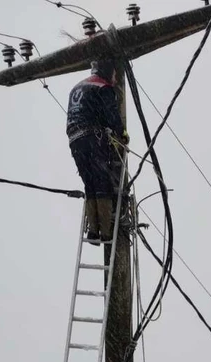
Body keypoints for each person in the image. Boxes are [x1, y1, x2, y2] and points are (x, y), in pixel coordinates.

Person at [66, 59, 128, 245]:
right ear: (107, 72)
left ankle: (93, 231)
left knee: (89, 183)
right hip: (92, 138)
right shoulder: (103, 87)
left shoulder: (77, 87)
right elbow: (112, 116)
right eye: (115, 75)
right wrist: (122, 135)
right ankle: (106, 234)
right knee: (102, 183)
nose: (116, 79)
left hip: (74, 140)